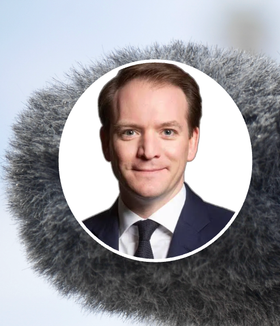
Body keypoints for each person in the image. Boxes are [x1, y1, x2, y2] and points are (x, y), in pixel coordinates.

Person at [82, 62, 234, 260]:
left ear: (192, 141)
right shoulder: (73, 239)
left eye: (167, 132)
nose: (148, 152)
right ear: (106, 143)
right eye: (130, 132)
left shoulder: (240, 233)